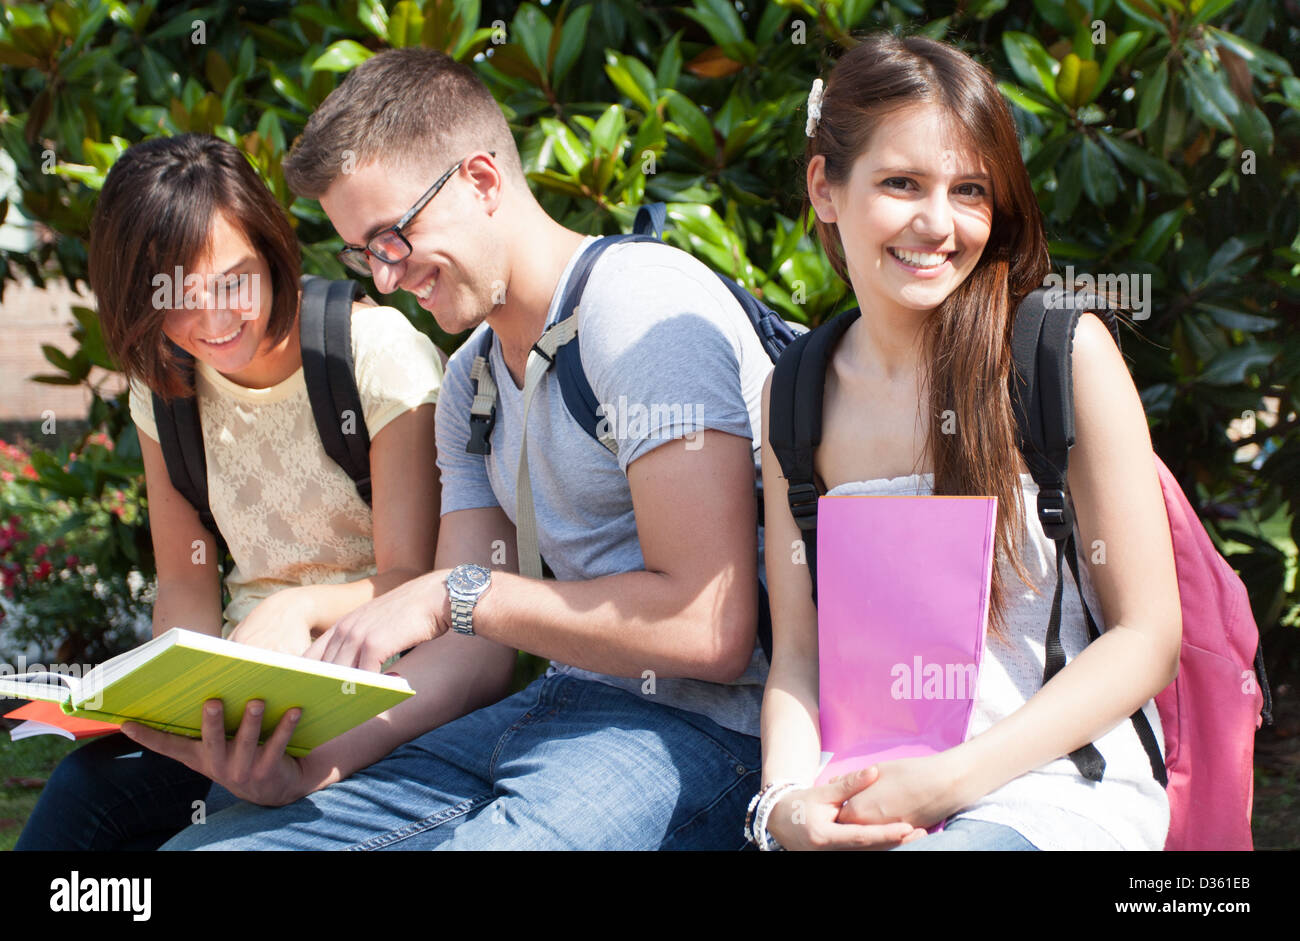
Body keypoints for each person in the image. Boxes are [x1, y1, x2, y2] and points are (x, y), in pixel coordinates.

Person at [133, 47, 772, 851]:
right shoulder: (471, 378)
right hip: (546, 714)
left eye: (394, 237)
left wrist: (455, 591)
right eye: (366, 255)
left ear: (480, 180)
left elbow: (709, 627)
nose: (388, 278)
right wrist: (307, 770)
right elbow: (473, 660)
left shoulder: (640, 311)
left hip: (700, 730)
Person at [750, 34, 1180, 851]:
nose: (939, 223)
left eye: (971, 189)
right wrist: (783, 808)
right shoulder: (794, 395)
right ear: (826, 189)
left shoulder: (1062, 354)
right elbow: (799, 661)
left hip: (1059, 792)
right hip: (869, 793)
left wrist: (949, 780)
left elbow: (1147, 637)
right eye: (902, 183)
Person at [14, 133, 444, 850]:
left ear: (272, 245)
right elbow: (185, 576)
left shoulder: (376, 355)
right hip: (239, 697)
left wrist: (295, 608)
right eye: (178, 301)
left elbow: (414, 578)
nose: (213, 322)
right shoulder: (166, 389)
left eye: (233, 283)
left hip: (361, 693)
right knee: (85, 791)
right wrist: (179, 687)